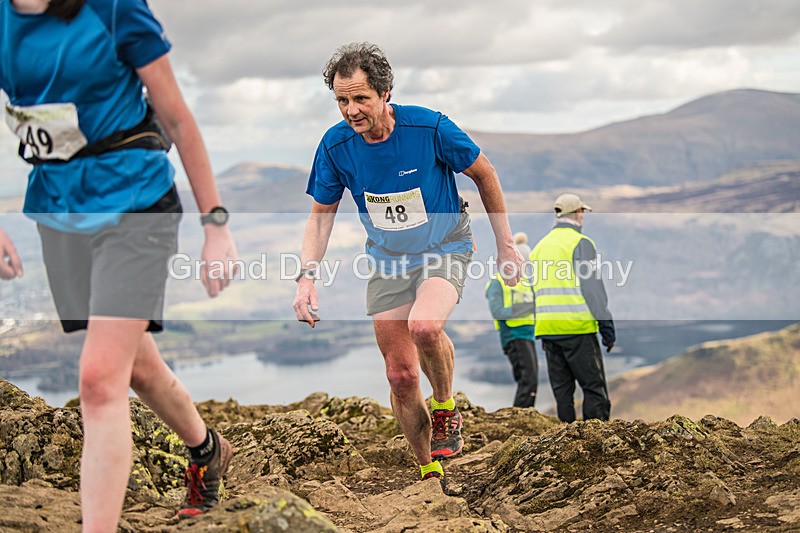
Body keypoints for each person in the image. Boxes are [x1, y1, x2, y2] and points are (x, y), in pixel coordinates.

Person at [1, 0, 238, 529]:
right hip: (58, 211)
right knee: (136, 367)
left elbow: (176, 116)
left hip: (136, 205)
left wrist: (215, 225)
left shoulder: (112, 7)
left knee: (98, 379)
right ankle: (207, 449)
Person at [293, 42, 523, 487]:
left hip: (445, 246)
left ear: (385, 93)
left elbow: (485, 173)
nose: (351, 110)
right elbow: (321, 216)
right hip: (388, 261)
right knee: (399, 375)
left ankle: (445, 408)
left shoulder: (429, 127)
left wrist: (506, 246)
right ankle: (429, 470)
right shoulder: (336, 146)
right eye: (342, 100)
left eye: (361, 98)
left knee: (425, 326)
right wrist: (306, 278)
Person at [529, 193, 615, 422]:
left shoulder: (539, 247)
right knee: (594, 389)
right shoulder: (580, 243)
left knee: (563, 394)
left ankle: (566, 436)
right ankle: (597, 437)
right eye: (582, 212)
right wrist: (606, 327)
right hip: (577, 326)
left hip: (548, 329)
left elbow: (536, 289)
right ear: (577, 213)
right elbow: (593, 288)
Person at [484, 232, 537, 408]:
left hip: (528, 335)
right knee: (527, 380)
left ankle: (525, 416)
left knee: (531, 382)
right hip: (513, 336)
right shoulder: (497, 282)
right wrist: (527, 307)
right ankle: (520, 418)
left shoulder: (526, 281)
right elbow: (498, 311)